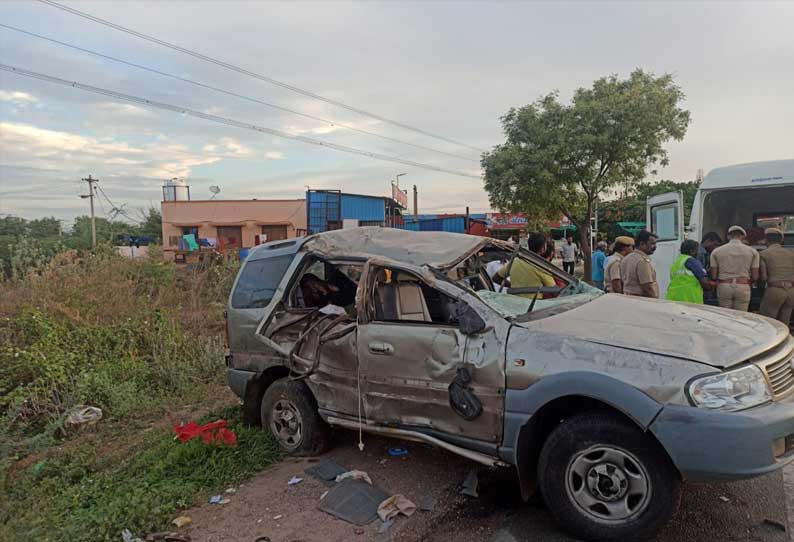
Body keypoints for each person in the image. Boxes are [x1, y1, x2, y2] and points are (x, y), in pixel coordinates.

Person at [709, 225, 759, 311]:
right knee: (741, 316)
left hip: (724, 286)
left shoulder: (716, 251)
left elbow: (713, 275)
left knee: (725, 315)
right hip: (743, 286)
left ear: (728, 236)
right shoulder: (753, 252)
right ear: (742, 236)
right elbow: (755, 276)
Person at [494, 232, 556, 298]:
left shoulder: (515, 262)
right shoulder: (541, 267)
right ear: (543, 248)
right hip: (534, 306)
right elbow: (555, 292)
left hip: (514, 304)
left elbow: (496, 278)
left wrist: (513, 287)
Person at [759, 227, 794, 324]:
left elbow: (764, 277)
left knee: (768, 323)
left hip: (775, 290)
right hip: (791, 291)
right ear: (781, 240)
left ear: (766, 240)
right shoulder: (791, 254)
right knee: (784, 324)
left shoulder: (763, 254)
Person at [666, 240, 712, 304]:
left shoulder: (677, 261)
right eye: (697, 250)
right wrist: (711, 287)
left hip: (674, 298)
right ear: (692, 251)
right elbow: (705, 282)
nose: (699, 252)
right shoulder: (692, 261)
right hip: (690, 299)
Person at [620, 230, 659, 298]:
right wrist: (656, 300)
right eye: (652, 244)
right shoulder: (642, 261)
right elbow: (647, 287)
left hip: (628, 298)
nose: (655, 247)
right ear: (642, 244)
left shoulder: (626, 258)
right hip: (642, 300)